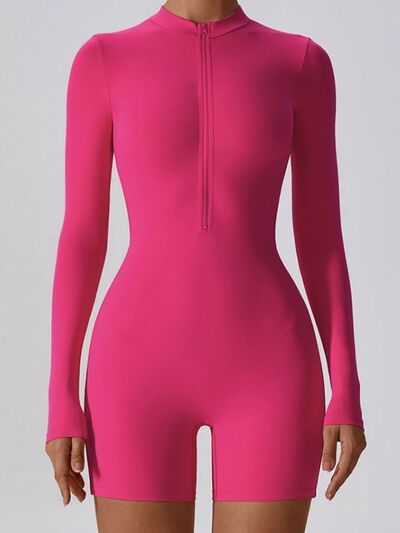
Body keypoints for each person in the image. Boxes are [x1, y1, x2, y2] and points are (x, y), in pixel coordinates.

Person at [44, 1, 367, 531]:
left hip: (270, 370)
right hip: (134, 372)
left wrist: (346, 389)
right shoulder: (102, 61)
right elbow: (82, 238)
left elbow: (322, 240)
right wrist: (60, 397)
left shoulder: (301, 63)